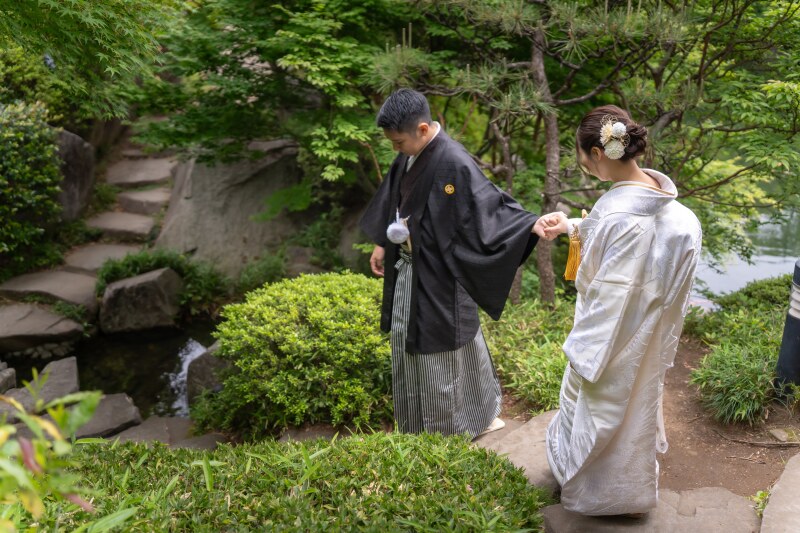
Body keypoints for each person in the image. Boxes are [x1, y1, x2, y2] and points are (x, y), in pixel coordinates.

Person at [540, 105, 702, 516]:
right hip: (649, 335)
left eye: (584, 158)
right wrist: (572, 226)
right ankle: (631, 495)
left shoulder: (617, 213)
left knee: (596, 406)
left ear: (598, 153)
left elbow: (609, 290)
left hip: (610, 338)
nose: (585, 165)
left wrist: (583, 351)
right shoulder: (682, 217)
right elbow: (640, 252)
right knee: (637, 411)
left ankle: (595, 494)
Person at [360, 88, 550, 438]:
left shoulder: (453, 160)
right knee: (409, 340)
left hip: (442, 276)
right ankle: (420, 425)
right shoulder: (409, 154)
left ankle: (448, 432)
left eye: (399, 142)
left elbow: (487, 205)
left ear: (422, 129)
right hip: (411, 269)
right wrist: (382, 243)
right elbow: (395, 199)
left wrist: (529, 225)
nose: (395, 149)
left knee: (444, 348)